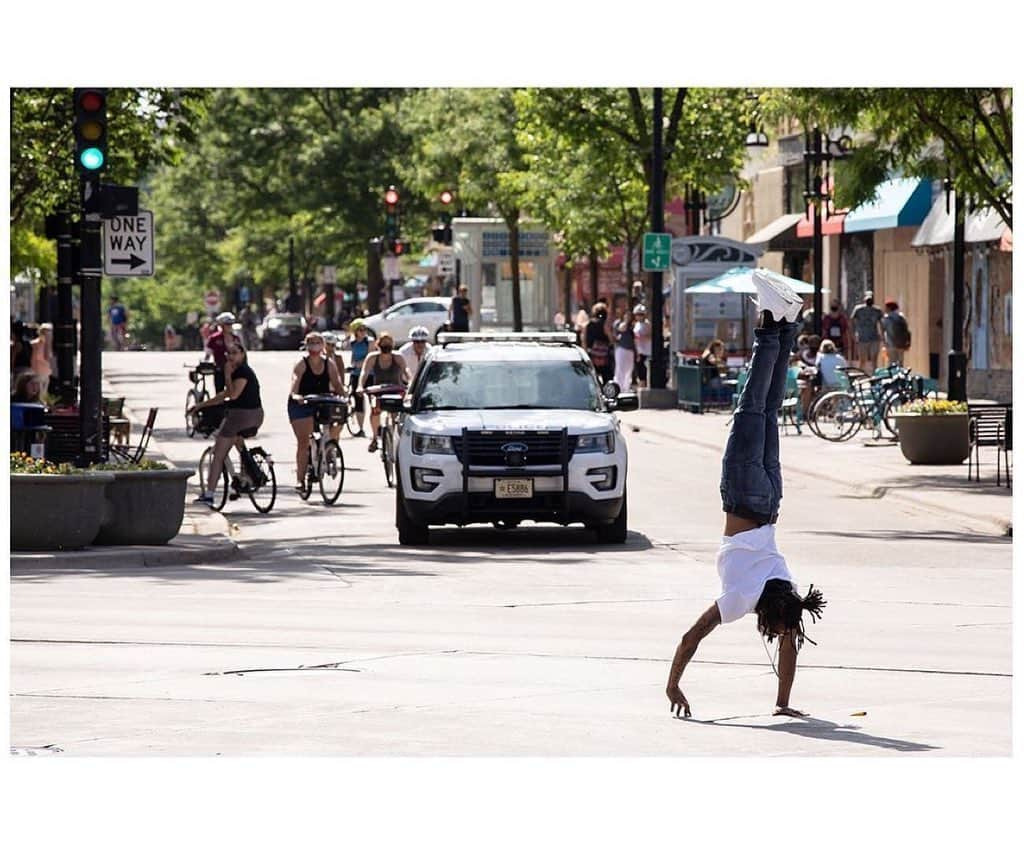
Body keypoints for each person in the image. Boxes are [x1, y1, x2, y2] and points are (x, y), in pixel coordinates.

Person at [665, 270, 826, 719]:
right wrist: (672, 684)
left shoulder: (784, 584)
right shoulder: (742, 597)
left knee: (768, 410)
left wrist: (783, 705)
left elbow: (792, 640)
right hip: (743, 496)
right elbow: (690, 637)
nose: (778, 637)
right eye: (776, 632)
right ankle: (768, 325)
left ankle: (784, 323)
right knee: (750, 408)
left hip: (772, 501)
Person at [191, 343, 264, 507]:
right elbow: (223, 395)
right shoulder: (241, 371)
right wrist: (202, 405)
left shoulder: (242, 372)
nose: (231, 356)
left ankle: (209, 495)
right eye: (228, 354)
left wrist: (227, 375)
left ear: (243, 354)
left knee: (218, 454)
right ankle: (246, 475)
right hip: (255, 416)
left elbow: (233, 395)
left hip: (241, 416)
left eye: (235, 353)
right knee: (237, 440)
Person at [287, 331, 345, 493]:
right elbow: (295, 381)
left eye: (318, 342)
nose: (315, 346)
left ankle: (329, 450)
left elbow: (337, 384)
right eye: (311, 343)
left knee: (338, 419)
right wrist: (296, 395)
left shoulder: (329, 363)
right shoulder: (301, 363)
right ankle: (300, 480)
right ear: (306, 346)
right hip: (302, 403)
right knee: (303, 442)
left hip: (323, 401)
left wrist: (344, 396)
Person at [357, 330, 409, 453]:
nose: (386, 346)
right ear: (378, 344)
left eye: (389, 343)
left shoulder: (398, 357)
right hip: (378, 390)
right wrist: (360, 386)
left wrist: (411, 382)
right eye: (383, 343)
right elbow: (364, 372)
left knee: (397, 414)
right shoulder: (372, 358)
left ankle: (397, 437)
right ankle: (375, 438)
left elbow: (406, 370)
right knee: (375, 411)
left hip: (395, 389)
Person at [346, 318, 375, 437]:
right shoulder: (353, 343)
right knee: (358, 401)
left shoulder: (370, 342)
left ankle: (376, 428)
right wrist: (352, 365)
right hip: (356, 374)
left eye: (364, 329)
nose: (363, 332)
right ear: (355, 331)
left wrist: (360, 363)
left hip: (370, 374)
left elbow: (371, 357)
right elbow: (353, 358)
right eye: (360, 330)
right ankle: (361, 428)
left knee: (373, 400)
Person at [850, 291, 884, 372]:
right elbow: (851, 321)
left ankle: (874, 376)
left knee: (874, 359)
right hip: (862, 337)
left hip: (874, 337)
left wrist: (882, 334)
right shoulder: (858, 309)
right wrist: (853, 333)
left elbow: (881, 322)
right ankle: (861, 375)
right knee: (862, 360)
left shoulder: (877, 310)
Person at [204, 312, 239, 392]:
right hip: (220, 369)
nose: (229, 326)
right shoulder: (214, 338)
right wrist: (205, 363)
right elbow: (208, 353)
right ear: (221, 325)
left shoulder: (236, 338)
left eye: (231, 324)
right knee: (219, 393)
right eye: (227, 324)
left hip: (234, 370)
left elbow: (241, 354)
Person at [583, 303, 614, 384]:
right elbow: (611, 340)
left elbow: (584, 341)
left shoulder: (588, 324)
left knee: (593, 377)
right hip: (605, 355)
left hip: (592, 354)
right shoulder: (606, 324)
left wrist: (585, 354)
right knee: (607, 377)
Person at [882, 299, 911, 367]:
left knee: (892, 363)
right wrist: (908, 342)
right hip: (901, 343)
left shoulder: (887, 318)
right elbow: (907, 331)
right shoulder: (901, 317)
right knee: (900, 363)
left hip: (890, 344)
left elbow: (883, 331)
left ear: (889, 308)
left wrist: (884, 343)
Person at [612, 308, 636, 393]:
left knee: (629, 370)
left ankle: (626, 388)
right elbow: (621, 329)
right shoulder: (618, 323)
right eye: (627, 315)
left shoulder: (632, 326)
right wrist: (626, 321)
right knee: (620, 369)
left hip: (630, 350)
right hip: (621, 349)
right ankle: (618, 388)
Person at [632, 304, 651, 388]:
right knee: (639, 370)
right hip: (639, 350)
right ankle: (641, 386)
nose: (639, 316)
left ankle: (644, 386)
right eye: (637, 314)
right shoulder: (637, 324)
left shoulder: (647, 324)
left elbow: (650, 336)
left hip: (646, 351)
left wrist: (641, 337)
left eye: (641, 314)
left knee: (644, 370)